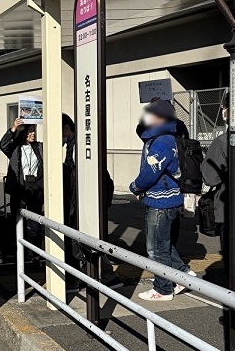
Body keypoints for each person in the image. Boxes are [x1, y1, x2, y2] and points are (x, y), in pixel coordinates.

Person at [130, 98, 192, 302]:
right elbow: (141, 131)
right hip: (167, 200)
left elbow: (151, 172)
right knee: (163, 244)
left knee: (155, 249)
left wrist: (135, 187)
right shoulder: (164, 136)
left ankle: (163, 289)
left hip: (161, 202)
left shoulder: (163, 140)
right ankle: (182, 275)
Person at [61, 114, 122, 292]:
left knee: (79, 241)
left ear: (66, 129)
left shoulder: (78, 148)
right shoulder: (75, 146)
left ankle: (77, 281)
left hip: (80, 204)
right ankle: (109, 277)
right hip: (81, 203)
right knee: (87, 241)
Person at [0, 117, 44, 222]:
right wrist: (13, 128)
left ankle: (35, 237)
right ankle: (19, 237)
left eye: (34, 131)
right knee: (18, 219)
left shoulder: (39, 147)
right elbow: (2, 145)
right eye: (30, 131)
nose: (33, 133)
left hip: (36, 188)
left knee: (35, 220)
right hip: (19, 187)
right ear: (23, 133)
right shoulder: (15, 148)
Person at [202, 95, 229, 267]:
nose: (222, 111)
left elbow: (210, 177)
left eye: (224, 107)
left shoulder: (223, 142)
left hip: (228, 209)